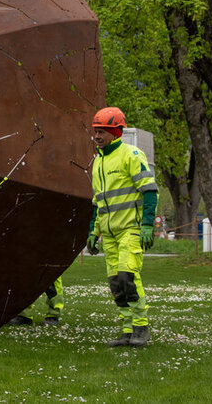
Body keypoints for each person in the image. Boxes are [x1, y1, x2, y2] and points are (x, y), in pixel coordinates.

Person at [85, 107, 158, 348]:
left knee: (128, 276)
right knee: (116, 282)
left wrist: (147, 225)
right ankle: (127, 330)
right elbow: (98, 202)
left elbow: (149, 191)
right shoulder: (97, 162)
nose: (97, 136)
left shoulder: (132, 155)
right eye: (96, 131)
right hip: (109, 234)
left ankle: (141, 326)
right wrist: (93, 232)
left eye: (102, 131)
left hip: (131, 229)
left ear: (116, 131)